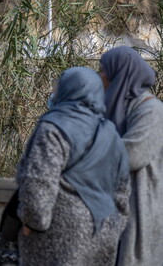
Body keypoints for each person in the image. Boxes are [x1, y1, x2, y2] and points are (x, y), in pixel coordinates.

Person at [16, 67, 130, 265]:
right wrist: (115, 224)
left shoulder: (53, 128)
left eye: (57, 88)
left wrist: (32, 223)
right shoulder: (110, 131)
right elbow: (122, 187)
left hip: (59, 233)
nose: (53, 93)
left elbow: (39, 182)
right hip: (104, 229)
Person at [99, 46, 162, 266]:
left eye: (104, 70)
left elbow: (132, 154)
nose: (101, 76)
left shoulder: (152, 111)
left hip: (141, 205)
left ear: (120, 73)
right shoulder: (115, 108)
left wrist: (89, 154)